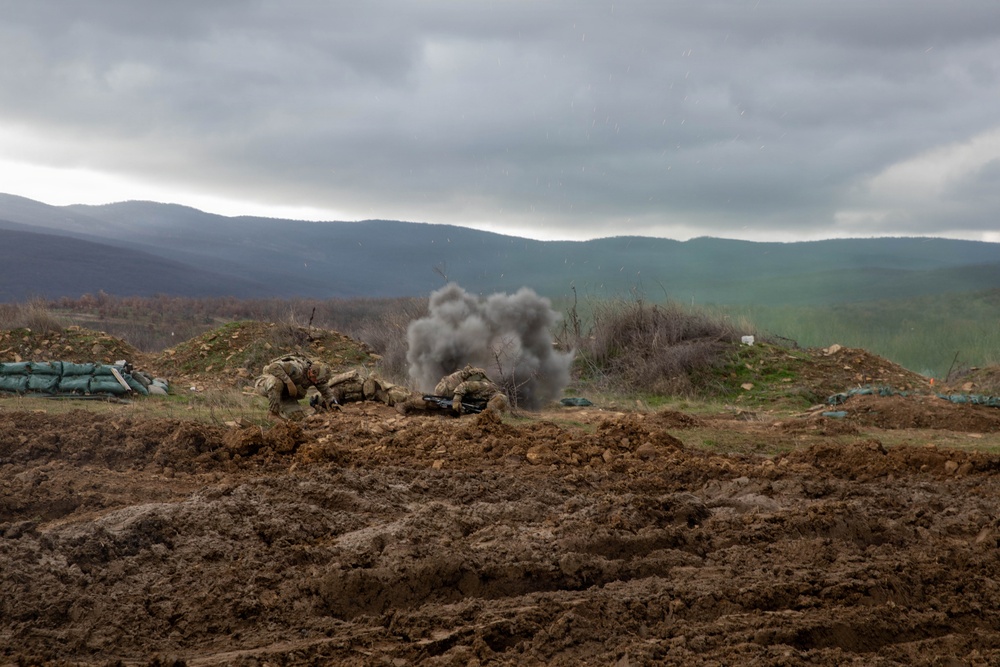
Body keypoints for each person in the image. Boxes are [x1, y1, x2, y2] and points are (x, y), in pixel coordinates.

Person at [398, 364, 509, 415]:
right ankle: (406, 404)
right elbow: (464, 386)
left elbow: (495, 409)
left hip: (465, 397)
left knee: (449, 410)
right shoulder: (485, 387)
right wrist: (456, 401)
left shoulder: (493, 398)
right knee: (437, 402)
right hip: (452, 388)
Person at [254, 354, 337, 420]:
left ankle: (283, 415)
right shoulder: (297, 368)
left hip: (285, 395)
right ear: (312, 372)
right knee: (277, 382)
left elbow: (326, 391)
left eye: (318, 381)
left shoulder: (316, 377)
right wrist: (288, 381)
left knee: (298, 418)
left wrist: (333, 403)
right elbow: (273, 367)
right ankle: (273, 413)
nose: (316, 382)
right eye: (315, 379)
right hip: (265, 384)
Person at [326, 368, 412, 407]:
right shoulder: (335, 389)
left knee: (394, 395)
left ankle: (414, 400)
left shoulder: (334, 388)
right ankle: (414, 399)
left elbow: (352, 375)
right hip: (369, 392)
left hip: (369, 387)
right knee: (394, 393)